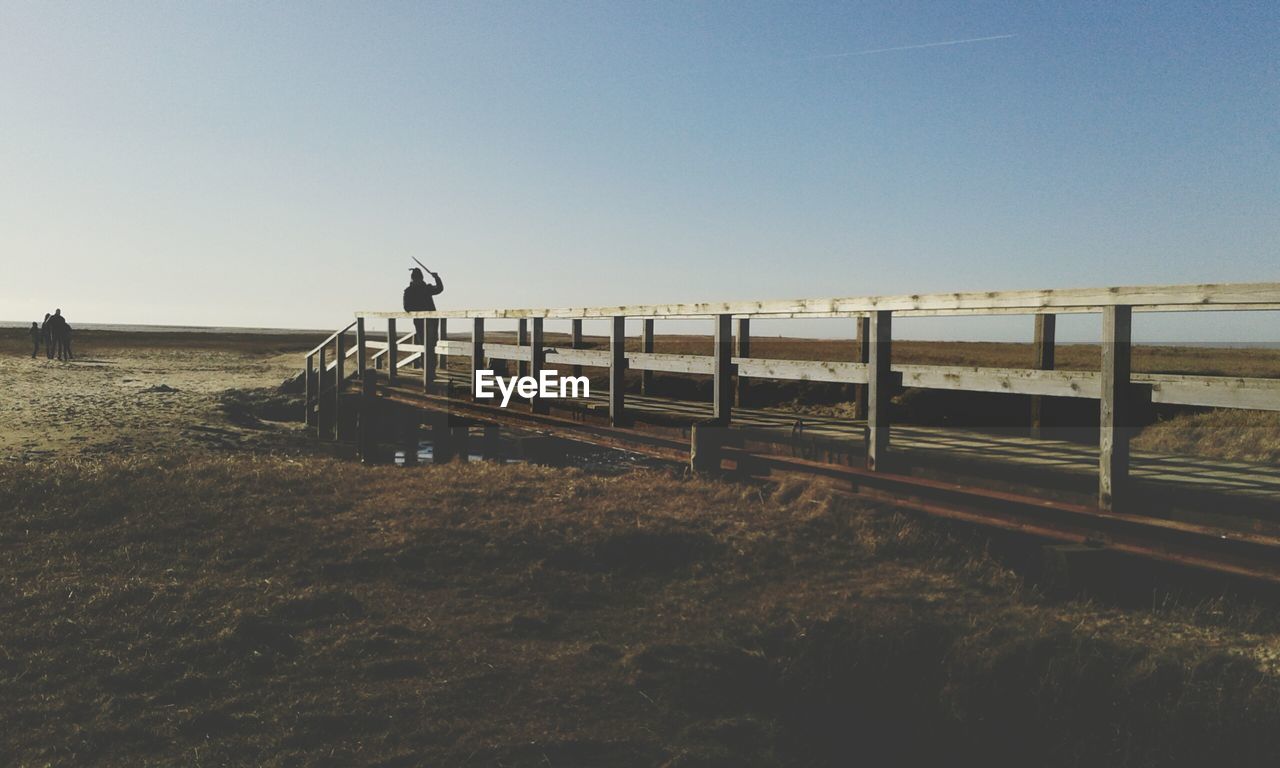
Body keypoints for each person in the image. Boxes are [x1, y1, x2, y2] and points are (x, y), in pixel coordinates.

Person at [403, 266, 444, 357]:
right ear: (421, 278)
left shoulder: (409, 291)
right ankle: (429, 364)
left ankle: (427, 364)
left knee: (424, 342)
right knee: (431, 342)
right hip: (430, 320)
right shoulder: (426, 288)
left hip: (421, 320)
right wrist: (437, 278)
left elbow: (407, 307)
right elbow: (439, 288)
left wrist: (417, 310)